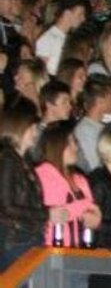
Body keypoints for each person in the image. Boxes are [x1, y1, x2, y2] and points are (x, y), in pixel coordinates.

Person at [35, 122, 102, 247]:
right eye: (69, 143)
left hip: (80, 247)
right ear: (57, 146)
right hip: (53, 248)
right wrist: (86, 206)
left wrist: (95, 218)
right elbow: (60, 212)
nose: (75, 147)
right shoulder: (44, 173)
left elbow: (93, 212)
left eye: (75, 142)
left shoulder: (79, 178)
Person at [0, 108, 48, 270]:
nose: (35, 132)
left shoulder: (23, 160)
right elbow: (6, 206)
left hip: (26, 235)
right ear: (18, 128)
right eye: (31, 128)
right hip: (16, 238)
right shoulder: (8, 159)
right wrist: (47, 214)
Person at [36, 0, 88, 75]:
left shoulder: (69, 38)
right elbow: (41, 70)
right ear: (67, 13)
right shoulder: (48, 38)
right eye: (80, 14)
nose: (83, 19)